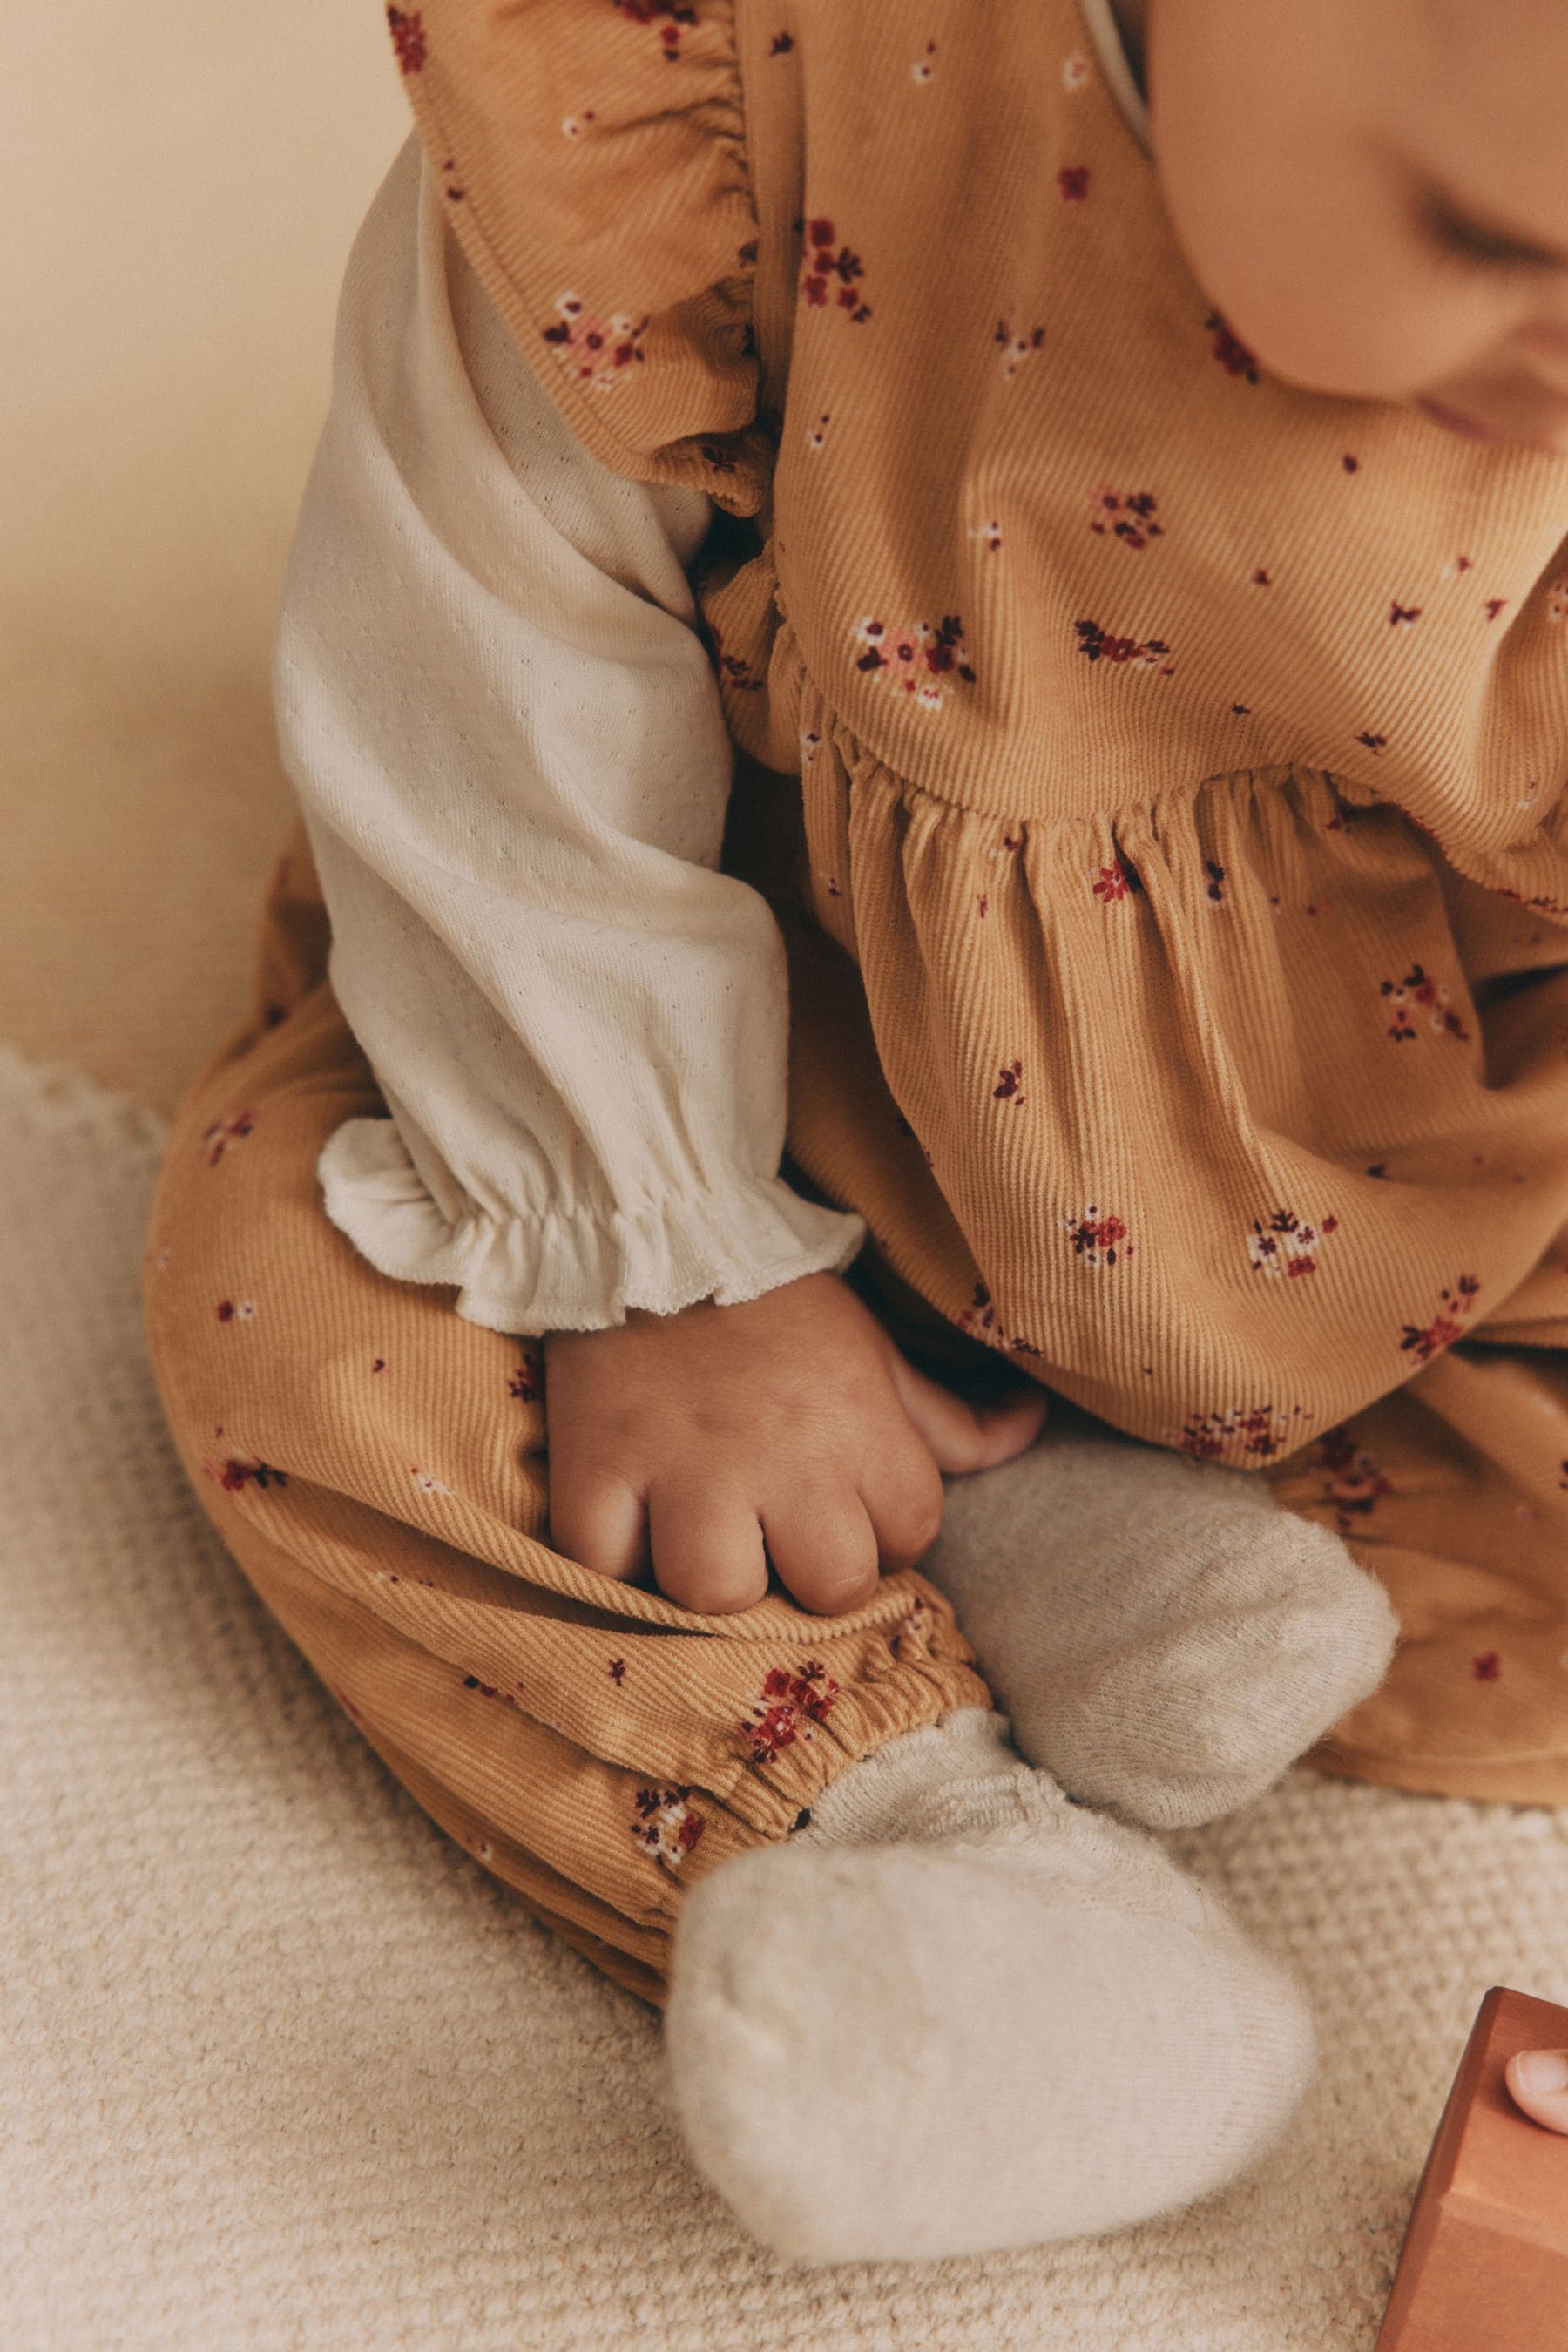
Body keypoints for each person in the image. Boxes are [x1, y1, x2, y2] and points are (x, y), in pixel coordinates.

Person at [144, 0, 1568, 2258]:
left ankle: (1075, 1547)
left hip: (1409, 1227)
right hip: (804, 1080)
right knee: (301, 1276)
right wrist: (668, 1244)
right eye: (1496, 238)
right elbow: (483, 668)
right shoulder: (721, 104)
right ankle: (909, 1838)